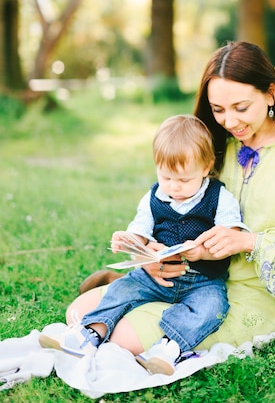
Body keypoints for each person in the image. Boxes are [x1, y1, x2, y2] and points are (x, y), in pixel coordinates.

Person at [65, 41, 275, 361]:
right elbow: (179, 206)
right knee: (78, 312)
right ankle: (131, 287)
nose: (229, 121)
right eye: (218, 110)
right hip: (196, 274)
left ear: (271, 93)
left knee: (120, 340)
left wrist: (247, 241)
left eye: (241, 107)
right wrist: (157, 257)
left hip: (261, 291)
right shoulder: (220, 144)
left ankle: (142, 307)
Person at [39, 114, 248, 375]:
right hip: (156, 277)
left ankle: (167, 349)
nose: (174, 187)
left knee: (212, 307)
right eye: (166, 177)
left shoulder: (219, 197)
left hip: (203, 280)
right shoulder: (154, 197)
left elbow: (230, 236)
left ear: (206, 167)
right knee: (122, 289)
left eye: (184, 180)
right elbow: (140, 228)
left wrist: (202, 251)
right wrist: (131, 240)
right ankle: (88, 334)